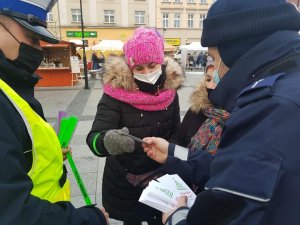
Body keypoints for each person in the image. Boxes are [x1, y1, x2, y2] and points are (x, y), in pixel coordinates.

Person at [144, 0, 300, 224]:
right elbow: (230, 167)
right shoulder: (280, 90)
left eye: (214, 59)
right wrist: (171, 151)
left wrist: (176, 219)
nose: (213, 70)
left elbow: (233, 206)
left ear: (236, 51)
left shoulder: (267, 106)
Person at [0, 1, 109, 225]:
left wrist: (51, 153)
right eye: (30, 38)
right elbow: (12, 211)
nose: (37, 49)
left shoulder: (12, 86)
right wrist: (90, 220)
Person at [86, 27, 184, 225]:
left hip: (161, 179)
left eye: (151, 65)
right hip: (125, 182)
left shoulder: (170, 92)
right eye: (139, 68)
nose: (147, 72)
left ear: (161, 63)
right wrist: (108, 141)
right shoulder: (115, 95)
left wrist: (172, 154)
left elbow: (176, 132)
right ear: (130, 68)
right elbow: (94, 138)